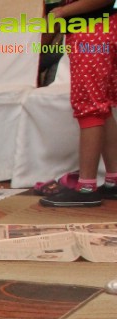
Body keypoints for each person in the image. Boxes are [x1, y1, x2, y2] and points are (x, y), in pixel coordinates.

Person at [39, 0, 117, 207]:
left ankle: (86, 187)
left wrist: (63, 11)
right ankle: (113, 179)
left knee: (89, 109)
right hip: (102, 27)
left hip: (91, 31)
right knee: (102, 107)